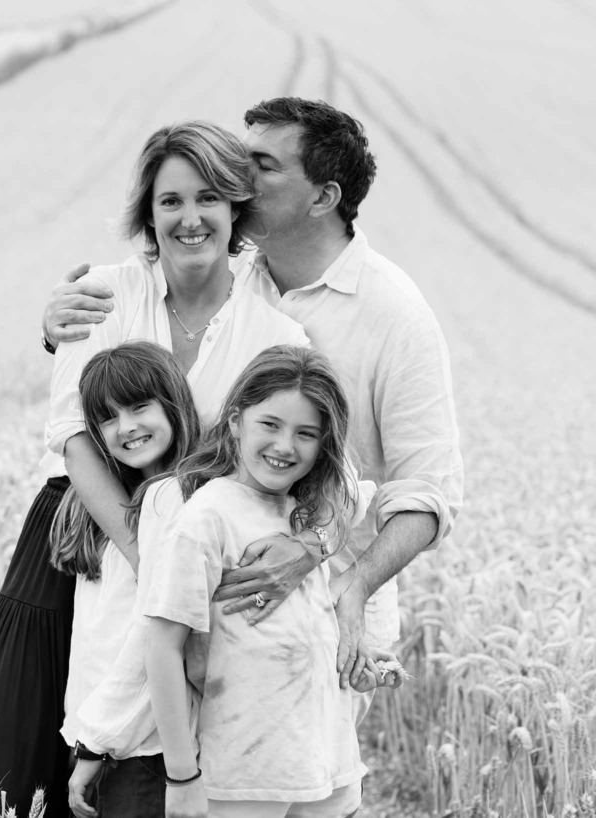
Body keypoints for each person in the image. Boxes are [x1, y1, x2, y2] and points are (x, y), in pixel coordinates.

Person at [40, 98, 464, 697]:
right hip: (208, 600)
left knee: (297, 785)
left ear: (323, 198)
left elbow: (427, 491)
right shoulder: (235, 275)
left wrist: (341, 572)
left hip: (322, 612)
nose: (236, 177)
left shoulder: (394, 315)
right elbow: (134, 368)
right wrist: (57, 325)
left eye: (261, 166)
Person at [0, 120, 309, 817]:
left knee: (143, 761)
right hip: (75, 536)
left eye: (209, 199)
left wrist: (174, 570)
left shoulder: (276, 336)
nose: (190, 219)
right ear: (147, 214)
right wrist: (142, 550)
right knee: (22, 760)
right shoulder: (102, 292)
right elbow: (72, 431)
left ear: (235, 210)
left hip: (194, 550)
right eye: (170, 202)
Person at [70, 345, 395, 818]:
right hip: (245, 777)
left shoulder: (305, 517)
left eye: (306, 434)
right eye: (270, 425)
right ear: (236, 420)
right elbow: (160, 646)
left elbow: (295, 629)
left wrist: (349, 662)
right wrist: (180, 775)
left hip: (327, 764)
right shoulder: (204, 515)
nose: (285, 446)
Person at [52, 342, 200, 817]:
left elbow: (150, 641)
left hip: (141, 750)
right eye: (109, 418)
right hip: (106, 738)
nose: (127, 427)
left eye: (139, 407)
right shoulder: (114, 503)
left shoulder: (172, 499)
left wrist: (95, 743)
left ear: (174, 403)